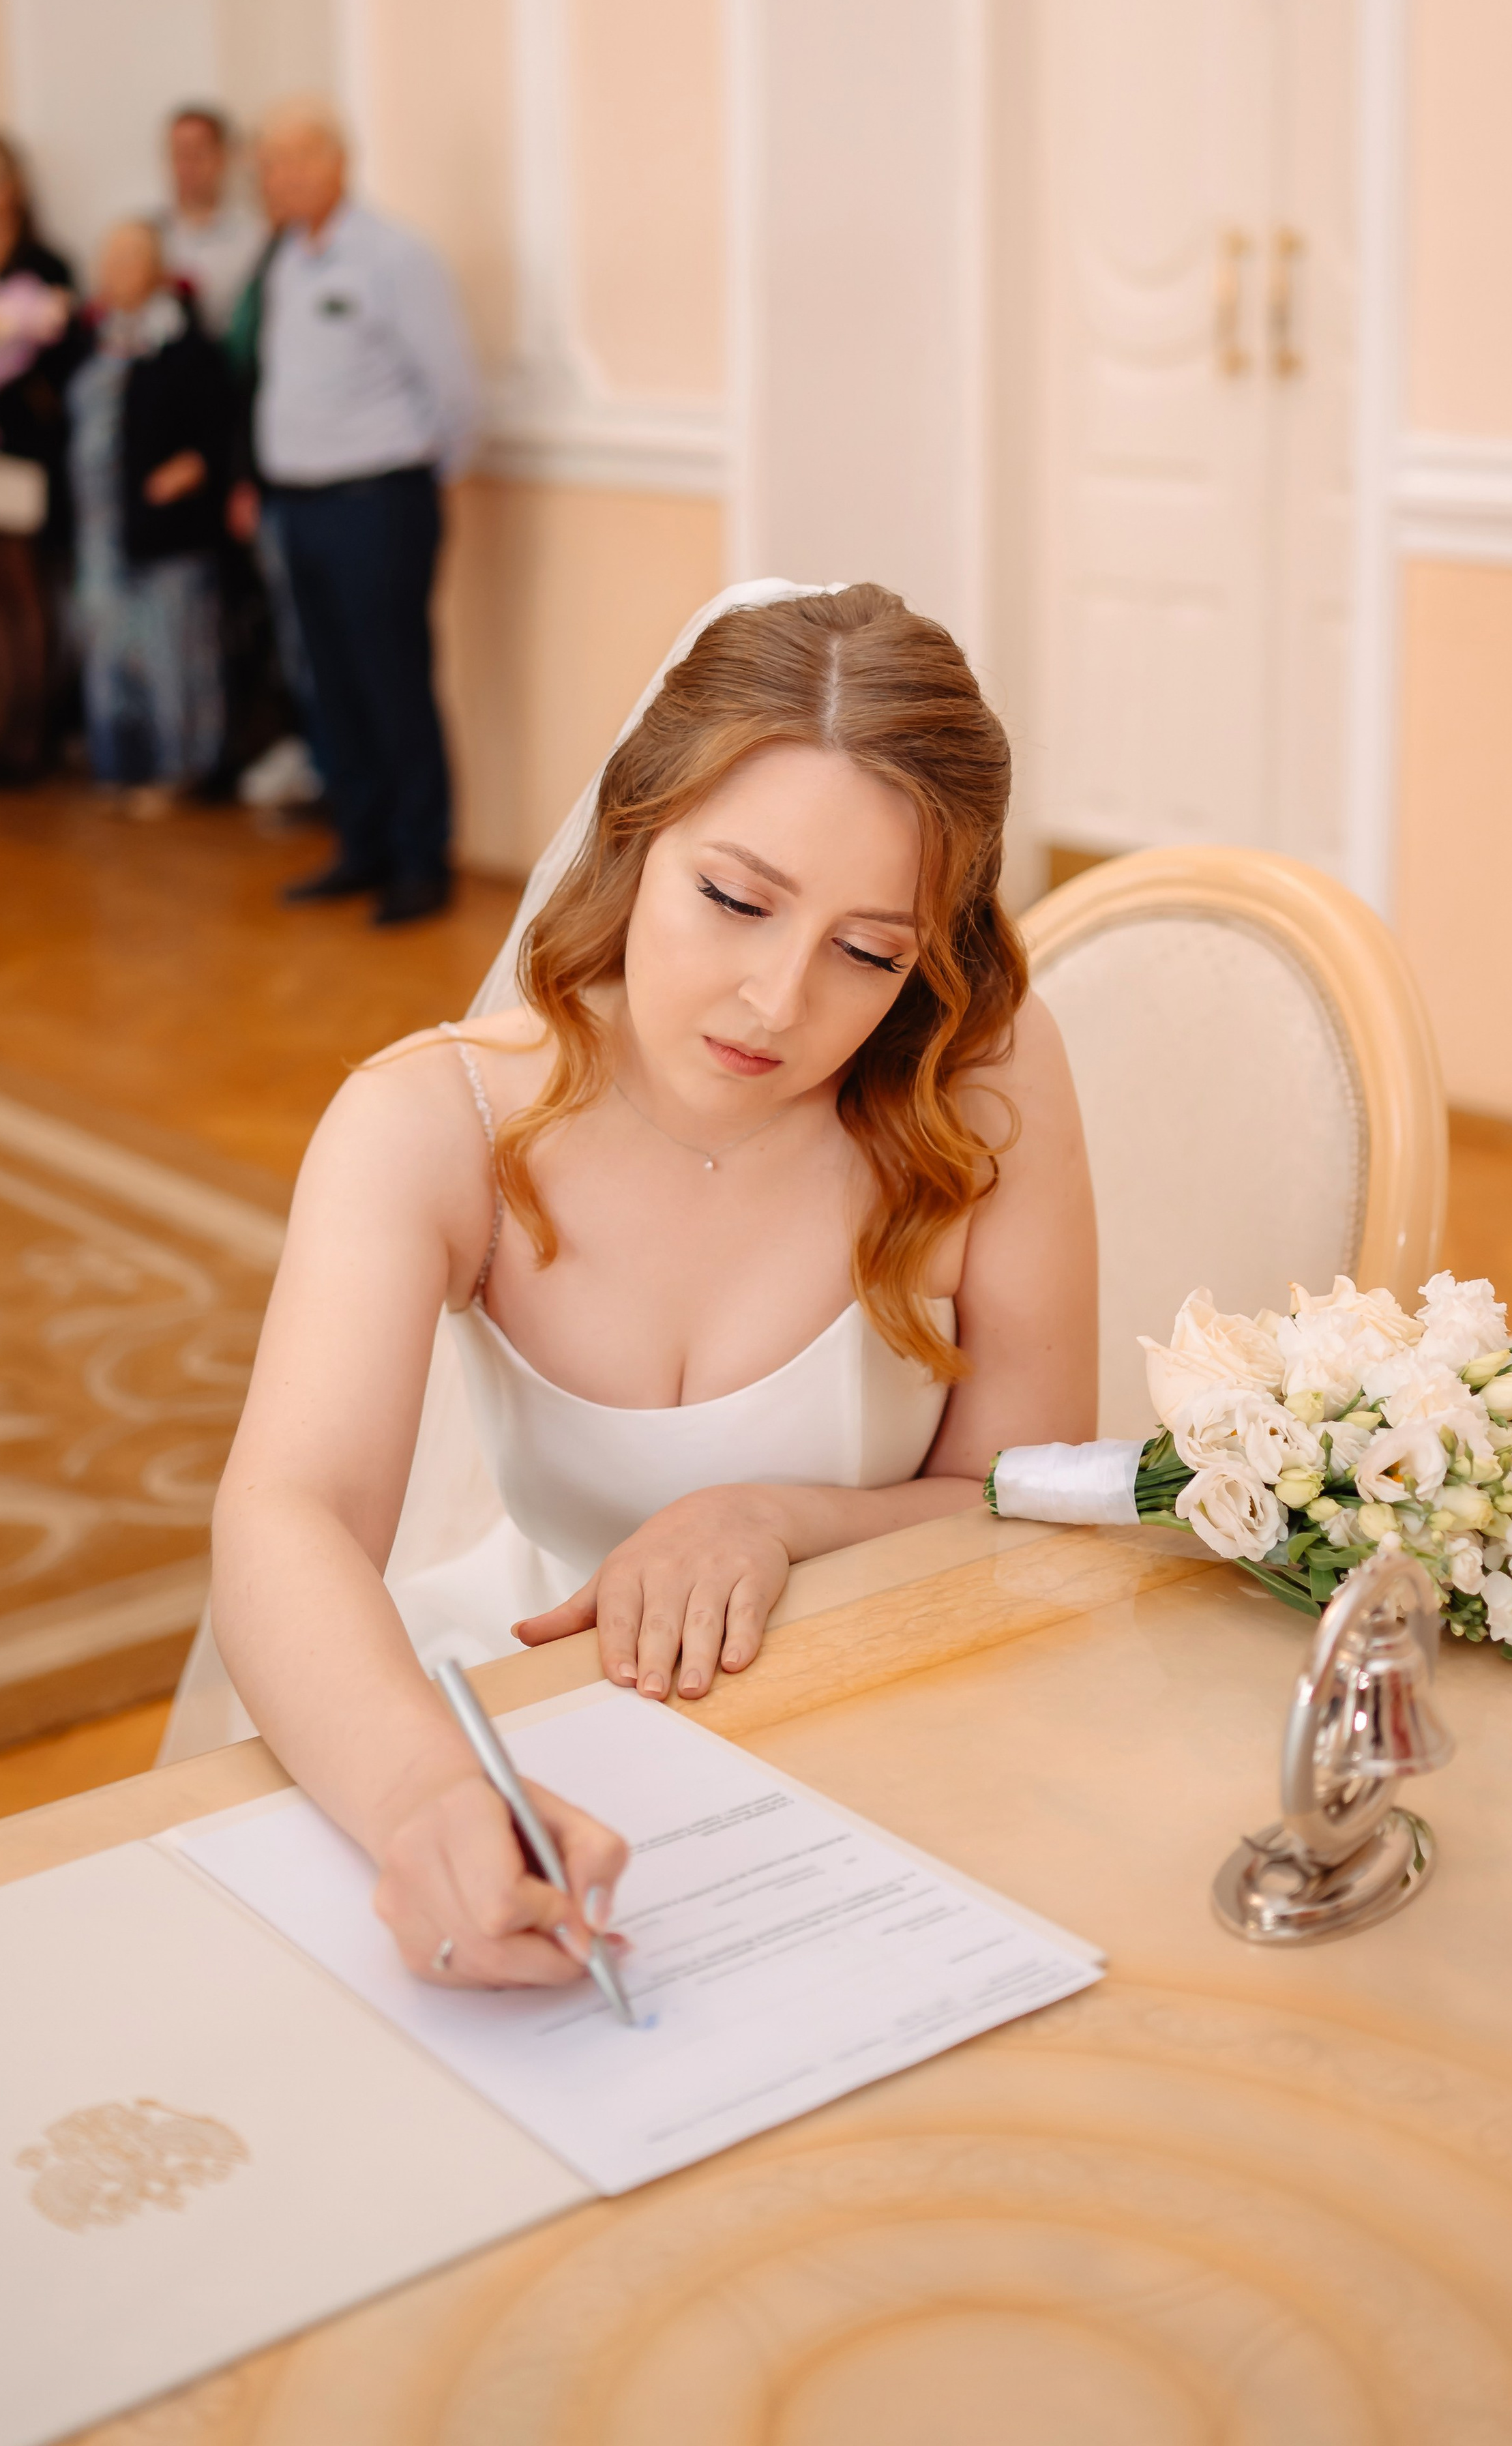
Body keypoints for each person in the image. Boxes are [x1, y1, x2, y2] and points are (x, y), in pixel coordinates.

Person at [203, 580, 1097, 1995]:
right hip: (527, 1711)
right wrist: (427, 1797)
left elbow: (1032, 1487)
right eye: (734, 900)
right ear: (634, 837)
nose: (774, 1002)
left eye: (868, 952)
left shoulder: (977, 1078)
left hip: (895, 1715)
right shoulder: (437, 1121)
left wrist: (773, 1515)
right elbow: (286, 1512)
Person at [254, 96, 480, 926]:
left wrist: (418, 480)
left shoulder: (394, 257)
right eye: (270, 164)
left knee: (392, 683)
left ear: (338, 163)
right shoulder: (284, 258)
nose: (280, 177)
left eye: (296, 159)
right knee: (331, 685)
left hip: (377, 503)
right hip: (300, 506)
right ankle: (364, 845)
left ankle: (423, 860)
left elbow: (454, 389)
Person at [68, 220, 235, 814]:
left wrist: (190, 468)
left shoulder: (185, 345)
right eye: (109, 258)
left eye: (132, 258)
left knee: (174, 651)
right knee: (111, 652)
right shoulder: (92, 342)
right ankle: (120, 764)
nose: (118, 270)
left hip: (167, 531)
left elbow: (220, 430)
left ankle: (182, 768)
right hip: (99, 529)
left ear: (160, 270)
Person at [0, 132, 86, 786]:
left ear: (15, 188)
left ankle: (34, 731)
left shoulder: (44, 266)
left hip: (21, 444)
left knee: (23, 584)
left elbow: (61, 360)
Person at [156, 104, 266, 343]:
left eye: (197, 153)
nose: (187, 166)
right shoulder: (149, 236)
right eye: (179, 154)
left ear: (222, 157)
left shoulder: (255, 238)